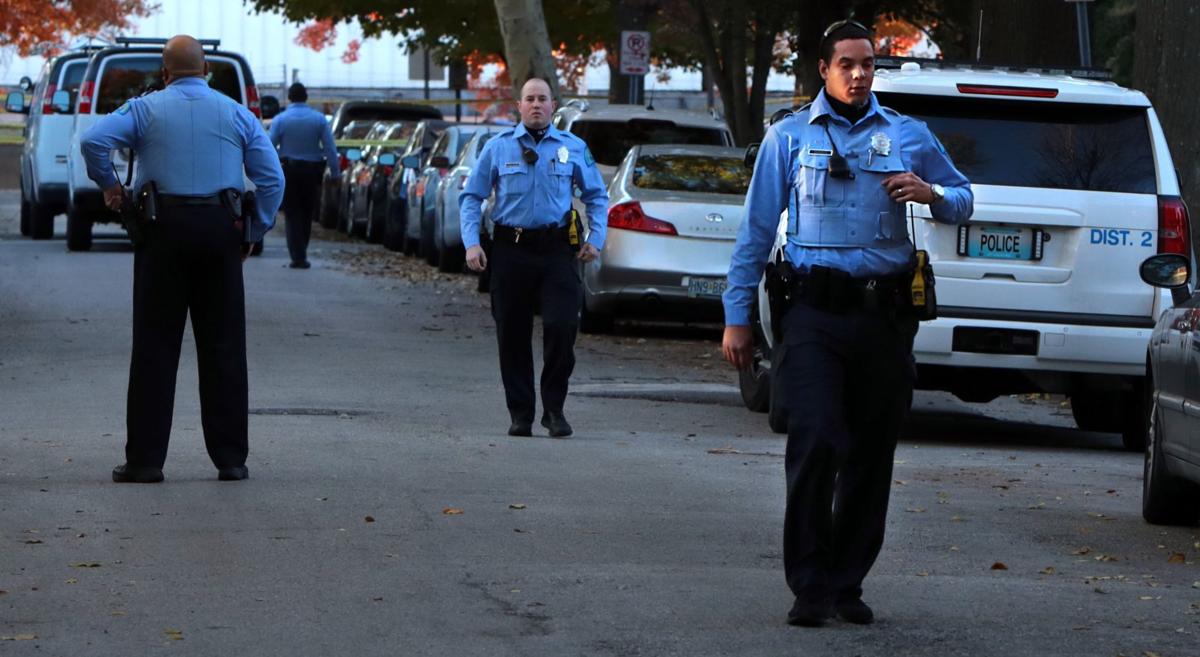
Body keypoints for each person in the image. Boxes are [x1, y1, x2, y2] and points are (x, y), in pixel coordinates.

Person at [722, 20, 973, 627]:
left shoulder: (907, 134)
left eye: (868, 64)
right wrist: (737, 317)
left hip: (883, 317)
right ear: (824, 69)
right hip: (811, 313)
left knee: (870, 448)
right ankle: (809, 583)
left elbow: (964, 197)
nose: (859, 75)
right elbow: (756, 231)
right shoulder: (788, 137)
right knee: (814, 436)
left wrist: (931, 193)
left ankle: (847, 580)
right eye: (847, 64)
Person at [80, 35, 284, 483]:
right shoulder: (236, 113)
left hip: (162, 229)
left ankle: (146, 461)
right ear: (206, 67)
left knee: (154, 346)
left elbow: (93, 141)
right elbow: (271, 178)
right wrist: (254, 227)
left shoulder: (144, 109)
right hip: (219, 229)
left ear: (164, 70)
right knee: (225, 346)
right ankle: (230, 459)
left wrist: (111, 186)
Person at [459, 77, 608, 438]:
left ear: (553, 106)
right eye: (530, 99)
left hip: (557, 250)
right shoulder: (498, 148)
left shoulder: (573, 148)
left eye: (543, 98)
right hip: (511, 249)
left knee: (561, 326)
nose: (536, 105)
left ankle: (554, 408)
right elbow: (472, 197)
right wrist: (471, 243)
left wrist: (596, 238)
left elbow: (597, 197)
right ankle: (521, 412)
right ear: (520, 107)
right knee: (512, 332)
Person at [269, 82, 339, 268]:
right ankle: (302, 252)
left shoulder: (281, 119)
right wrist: (335, 173)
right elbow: (330, 148)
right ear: (306, 97)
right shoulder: (319, 119)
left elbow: (269, 146)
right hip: (311, 171)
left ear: (290, 98)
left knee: (292, 213)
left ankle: (297, 255)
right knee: (307, 212)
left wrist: (271, 169)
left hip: (289, 171)